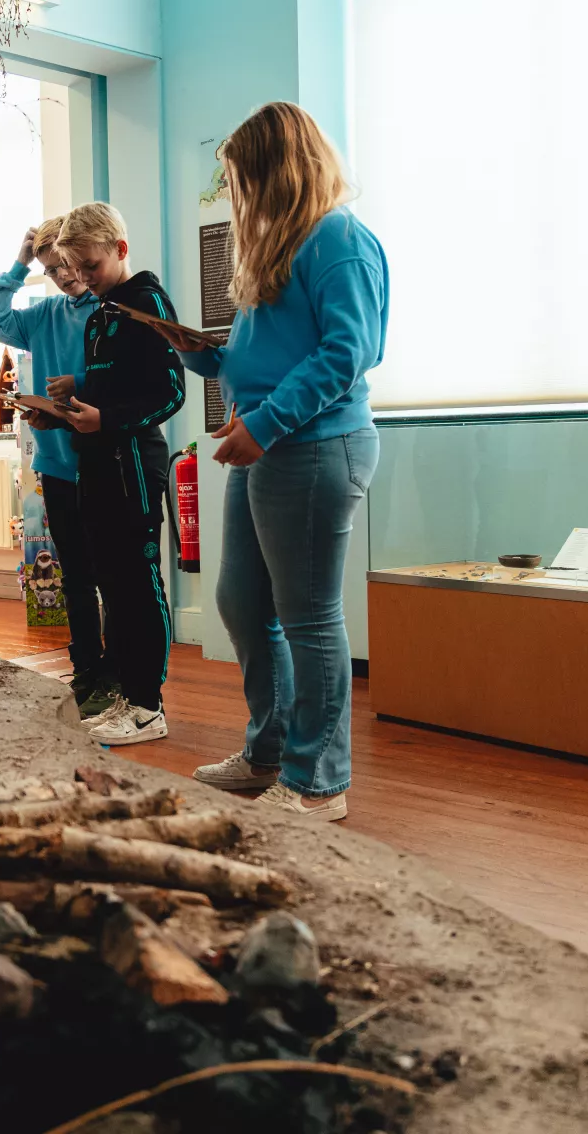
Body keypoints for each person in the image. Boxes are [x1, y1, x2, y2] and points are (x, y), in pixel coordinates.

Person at [159, 101, 388, 821]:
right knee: (243, 602)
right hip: (267, 444)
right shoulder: (280, 248)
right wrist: (208, 358)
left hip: (314, 447)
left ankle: (319, 782)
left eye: (239, 178)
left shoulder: (339, 240)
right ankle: (269, 752)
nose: (234, 194)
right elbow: (267, 358)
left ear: (275, 172)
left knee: (310, 616)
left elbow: (349, 354)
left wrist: (266, 421)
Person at [50, 201, 185, 747]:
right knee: (111, 585)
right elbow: (112, 390)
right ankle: (128, 695)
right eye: (74, 272)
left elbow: (171, 392)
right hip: (97, 468)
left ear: (120, 250)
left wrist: (107, 418)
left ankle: (150, 706)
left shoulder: (147, 302)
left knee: (138, 586)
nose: (82, 280)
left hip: (133, 469)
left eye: (90, 267)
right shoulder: (101, 313)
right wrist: (66, 404)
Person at [0, 216, 115, 716]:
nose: (64, 276)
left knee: (115, 577)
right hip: (57, 466)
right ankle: (85, 672)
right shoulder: (43, 315)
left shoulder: (109, 307)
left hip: (107, 461)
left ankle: (117, 677)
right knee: (75, 576)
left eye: (67, 265)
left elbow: (122, 381)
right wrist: (18, 264)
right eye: (51, 270)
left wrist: (77, 386)